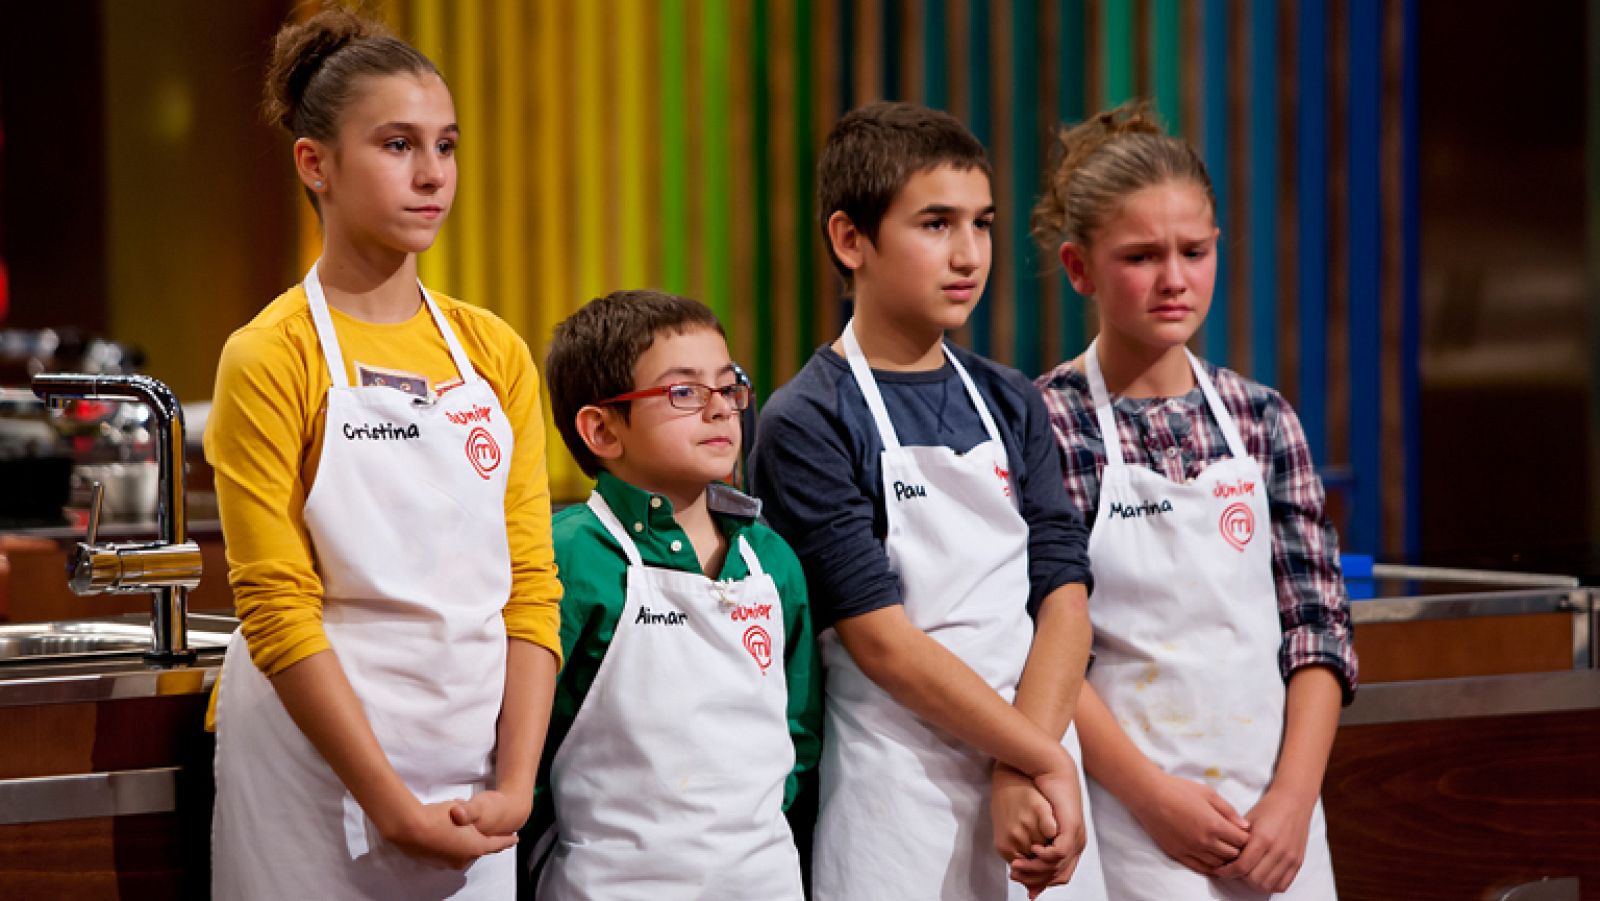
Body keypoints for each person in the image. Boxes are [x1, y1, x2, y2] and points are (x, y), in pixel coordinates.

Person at [205, 9, 561, 898]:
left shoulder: (493, 352)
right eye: (397, 145)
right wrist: (391, 803)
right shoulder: (269, 355)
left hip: (475, 787)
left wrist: (516, 786)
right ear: (314, 163)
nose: (432, 173)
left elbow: (531, 584)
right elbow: (275, 606)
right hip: (315, 787)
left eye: (445, 145)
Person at [750, 101, 1107, 900]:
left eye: (981, 224)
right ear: (851, 240)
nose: (969, 254)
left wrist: (1028, 762)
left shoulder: (1012, 400)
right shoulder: (807, 417)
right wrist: (1038, 758)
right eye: (936, 224)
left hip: (1040, 786)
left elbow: (1063, 597)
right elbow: (880, 641)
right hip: (898, 795)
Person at [1031, 100, 1358, 899]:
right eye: (1142, 255)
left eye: (1195, 251)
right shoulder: (1043, 422)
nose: (1175, 278)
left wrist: (1291, 799)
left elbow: (1318, 628)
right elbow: (1044, 646)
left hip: (1279, 829)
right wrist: (1152, 797)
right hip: (1128, 825)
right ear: (1080, 268)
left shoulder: (1263, 417)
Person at [524, 290, 820, 899]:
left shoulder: (771, 560)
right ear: (602, 429)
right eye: (683, 392)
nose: (719, 410)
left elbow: (797, 734)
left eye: (728, 386)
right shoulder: (571, 556)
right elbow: (524, 748)